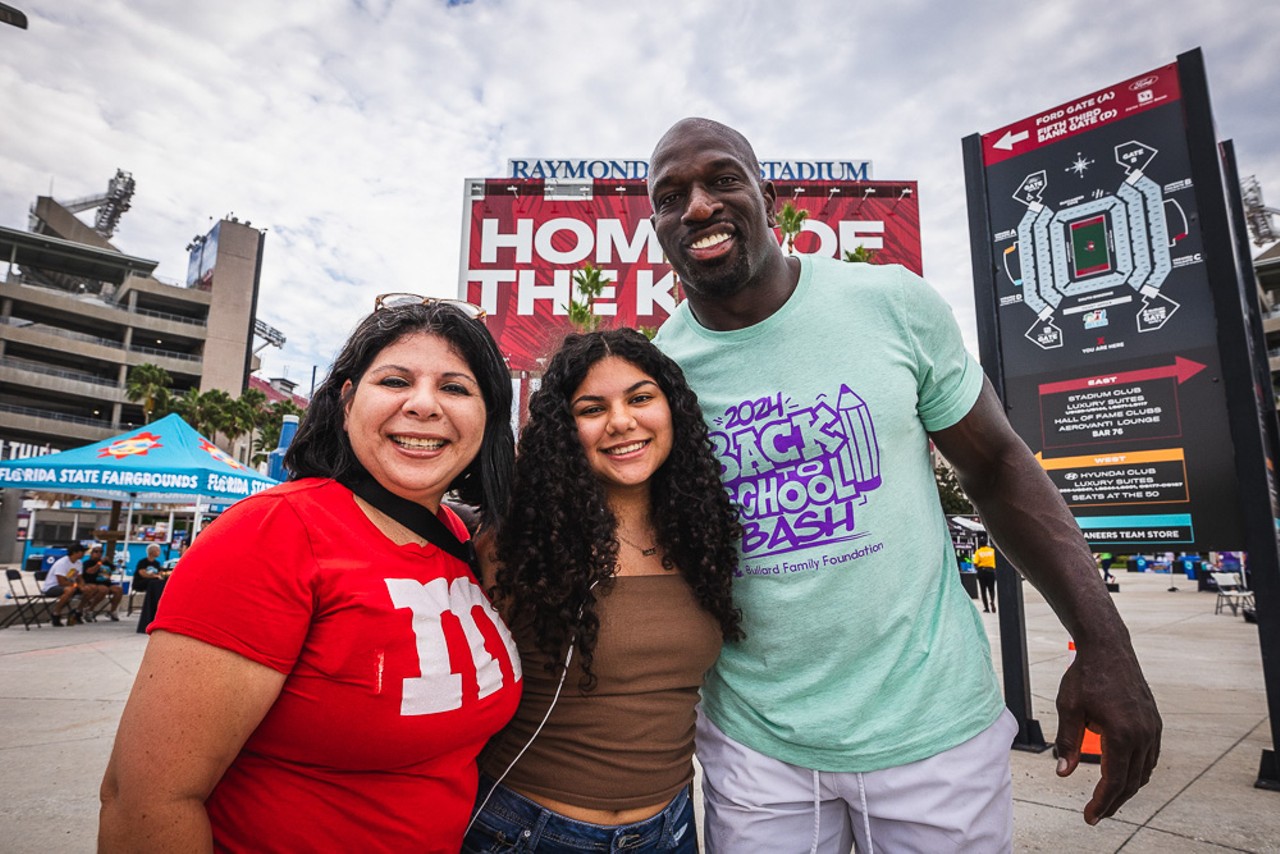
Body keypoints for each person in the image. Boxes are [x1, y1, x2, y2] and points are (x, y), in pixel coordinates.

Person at [646, 117, 1162, 850]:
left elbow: (997, 466)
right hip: (757, 750)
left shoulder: (890, 302)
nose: (697, 206)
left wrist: (1104, 642)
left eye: (722, 179)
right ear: (658, 227)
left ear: (769, 197)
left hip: (933, 732)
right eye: (670, 196)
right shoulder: (658, 373)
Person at [100, 297, 521, 852]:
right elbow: (145, 802)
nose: (423, 405)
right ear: (347, 402)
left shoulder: (464, 541)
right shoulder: (271, 533)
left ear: (487, 416)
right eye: (395, 381)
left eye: (455, 387)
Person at [463, 329, 742, 853]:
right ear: (566, 430)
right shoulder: (518, 539)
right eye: (592, 408)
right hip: (528, 829)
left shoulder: (700, 532)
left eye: (640, 398)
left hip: (671, 830)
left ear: (672, 408)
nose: (621, 422)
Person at [40, 543, 86, 627]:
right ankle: (56, 613)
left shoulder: (79, 563)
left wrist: (82, 585)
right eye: (82, 552)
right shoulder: (62, 563)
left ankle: (77, 612)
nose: (84, 554)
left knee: (89, 590)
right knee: (70, 590)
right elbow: (61, 582)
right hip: (52, 587)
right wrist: (76, 585)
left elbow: (80, 578)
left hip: (71, 585)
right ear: (74, 552)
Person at [80, 544, 123, 622]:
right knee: (103, 589)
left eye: (101, 552)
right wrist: (99, 563)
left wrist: (114, 563)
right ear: (92, 553)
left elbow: (113, 569)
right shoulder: (88, 562)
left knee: (118, 589)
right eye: (96, 551)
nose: (99, 553)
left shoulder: (106, 563)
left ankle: (112, 611)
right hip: (93, 582)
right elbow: (90, 572)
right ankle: (90, 609)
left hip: (106, 582)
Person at [974, 542, 997, 613]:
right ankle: (992, 601)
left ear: (980, 545)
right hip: (991, 571)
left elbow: (975, 563)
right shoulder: (992, 551)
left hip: (982, 571)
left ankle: (986, 608)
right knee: (992, 589)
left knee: (983, 591)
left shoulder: (978, 552)